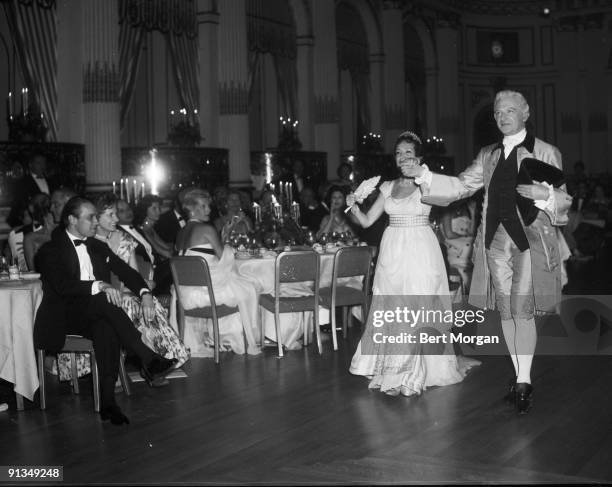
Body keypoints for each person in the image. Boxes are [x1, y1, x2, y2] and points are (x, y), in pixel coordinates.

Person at [402, 90, 573, 414]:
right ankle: (521, 378)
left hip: (530, 240)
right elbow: (461, 186)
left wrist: (544, 193)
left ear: (525, 113)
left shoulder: (546, 151)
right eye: (497, 112)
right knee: (506, 311)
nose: (502, 116)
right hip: (494, 242)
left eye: (509, 111)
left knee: (522, 310)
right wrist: (424, 176)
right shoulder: (488, 154)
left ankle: (523, 380)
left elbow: (564, 200)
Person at [348, 131, 480, 397]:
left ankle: (413, 373)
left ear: (418, 157)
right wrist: (352, 205)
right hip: (391, 249)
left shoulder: (425, 182)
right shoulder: (386, 187)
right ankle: (394, 369)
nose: (403, 157)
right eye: (398, 153)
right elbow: (366, 222)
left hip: (420, 248)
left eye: (408, 152)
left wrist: (423, 175)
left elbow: (444, 197)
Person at [34, 197, 177, 425]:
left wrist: (145, 294)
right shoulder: (50, 250)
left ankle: (108, 403)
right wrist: (99, 285)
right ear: (72, 220)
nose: (94, 222)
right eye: (89, 217)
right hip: (64, 316)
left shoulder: (95, 246)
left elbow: (125, 271)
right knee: (103, 301)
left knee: (106, 326)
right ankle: (147, 357)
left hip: (95, 313)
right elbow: (62, 286)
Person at [93, 194, 190, 374]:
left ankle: (157, 360)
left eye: (116, 213)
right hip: (102, 296)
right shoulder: (89, 242)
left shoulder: (124, 238)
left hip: (128, 292)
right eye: (111, 215)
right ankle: (146, 363)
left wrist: (145, 287)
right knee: (131, 305)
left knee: (146, 304)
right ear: (95, 218)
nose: (116, 219)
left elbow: (133, 273)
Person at [174, 189, 261, 356]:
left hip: (185, 292)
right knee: (251, 286)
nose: (208, 210)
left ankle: (218, 337)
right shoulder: (206, 228)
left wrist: (224, 234)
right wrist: (228, 245)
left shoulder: (181, 232)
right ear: (192, 209)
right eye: (204, 206)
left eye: (208, 206)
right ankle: (230, 338)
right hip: (207, 292)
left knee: (239, 284)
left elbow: (202, 256)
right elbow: (224, 258)